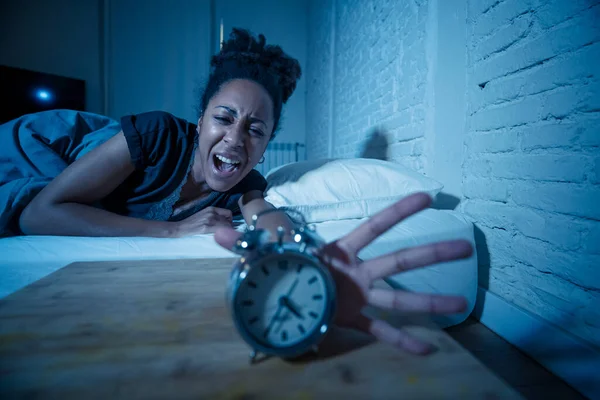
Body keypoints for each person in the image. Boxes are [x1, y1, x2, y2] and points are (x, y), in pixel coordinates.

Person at [12, 28, 473, 354]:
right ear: (200, 120)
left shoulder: (248, 185)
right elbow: (38, 214)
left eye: (255, 129)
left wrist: (308, 263)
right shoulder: (154, 134)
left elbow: (269, 219)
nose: (235, 139)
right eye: (224, 118)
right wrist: (170, 233)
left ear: (267, 143)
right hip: (33, 150)